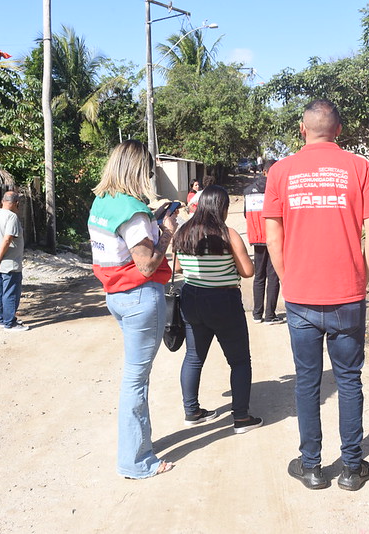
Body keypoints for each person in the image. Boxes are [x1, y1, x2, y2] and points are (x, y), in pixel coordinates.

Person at [264, 99, 369, 491]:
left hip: (301, 297)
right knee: (349, 380)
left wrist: (288, 280)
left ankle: (312, 467)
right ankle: (352, 468)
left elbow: (272, 237)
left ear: (303, 130)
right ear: (338, 130)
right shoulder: (359, 167)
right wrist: (359, 278)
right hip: (347, 295)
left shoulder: (280, 171)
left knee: (307, 382)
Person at [87, 140, 179, 479]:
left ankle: (137, 449)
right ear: (139, 170)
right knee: (136, 381)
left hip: (117, 297)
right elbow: (146, 265)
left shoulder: (103, 202)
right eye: (149, 170)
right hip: (140, 297)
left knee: (133, 378)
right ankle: (137, 461)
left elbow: (121, 243)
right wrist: (166, 233)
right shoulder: (132, 210)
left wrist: (151, 221)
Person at [173, 185, 263, 434]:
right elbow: (247, 271)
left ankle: (192, 411)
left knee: (193, 357)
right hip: (224, 302)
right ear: (221, 208)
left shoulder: (183, 232)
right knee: (239, 361)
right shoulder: (228, 234)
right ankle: (241, 418)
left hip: (192, 298)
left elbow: (178, 268)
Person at [244, 159, 283, 325]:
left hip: (256, 238)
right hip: (274, 238)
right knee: (273, 276)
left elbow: (246, 214)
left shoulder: (248, 191)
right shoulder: (278, 189)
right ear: (270, 172)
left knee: (259, 276)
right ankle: (270, 315)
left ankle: (257, 314)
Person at [0, 191, 27, 331]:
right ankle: (10, 323)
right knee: (10, 292)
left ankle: (2, 320)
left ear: (2, 201)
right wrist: (0, 256)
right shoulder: (12, 217)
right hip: (9, 263)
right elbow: (8, 238)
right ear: (16, 203)